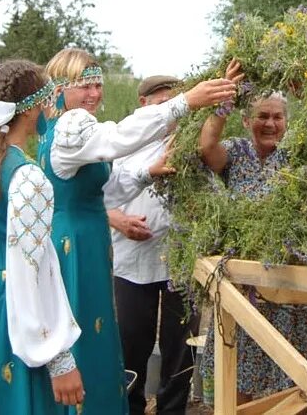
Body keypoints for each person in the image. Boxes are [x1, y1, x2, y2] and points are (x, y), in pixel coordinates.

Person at [38, 48, 237, 414]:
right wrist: (184, 102)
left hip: (92, 238)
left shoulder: (76, 127)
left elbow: (106, 189)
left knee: (100, 332)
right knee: (87, 330)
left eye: (97, 85)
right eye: (84, 86)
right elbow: (118, 139)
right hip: (75, 244)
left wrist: (149, 172)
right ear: (60, 88)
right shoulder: (71, 125)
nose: (94, 94)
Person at [0, 60, 83, 415]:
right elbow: (34, 270)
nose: (49, 110)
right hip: (18, 311)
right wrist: (58, 358)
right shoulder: (28, 177)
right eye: (47, 101)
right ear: (32, 108)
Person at [197, 61, 307, 405]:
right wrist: (224, 97)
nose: (270, 123)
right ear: (246, 120)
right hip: (246, 285)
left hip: (290, 281)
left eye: (277, 117)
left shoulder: (297, 158)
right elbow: (207, 148)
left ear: (287, 122)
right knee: (239, 372)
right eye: (262, 116)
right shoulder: (237, 151)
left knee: (293, 375)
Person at [103, 75, 200, 415]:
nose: (168, 113)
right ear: (143, 104)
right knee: (132, 344)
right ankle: (130, 407)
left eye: (174, 105)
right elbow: (94, 195)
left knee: (180, 348)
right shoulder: (119, 143)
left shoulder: (191, 142)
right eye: (161, 105)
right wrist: (116, 219)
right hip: (132, 260)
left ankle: (172, 410)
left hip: (180, 258)